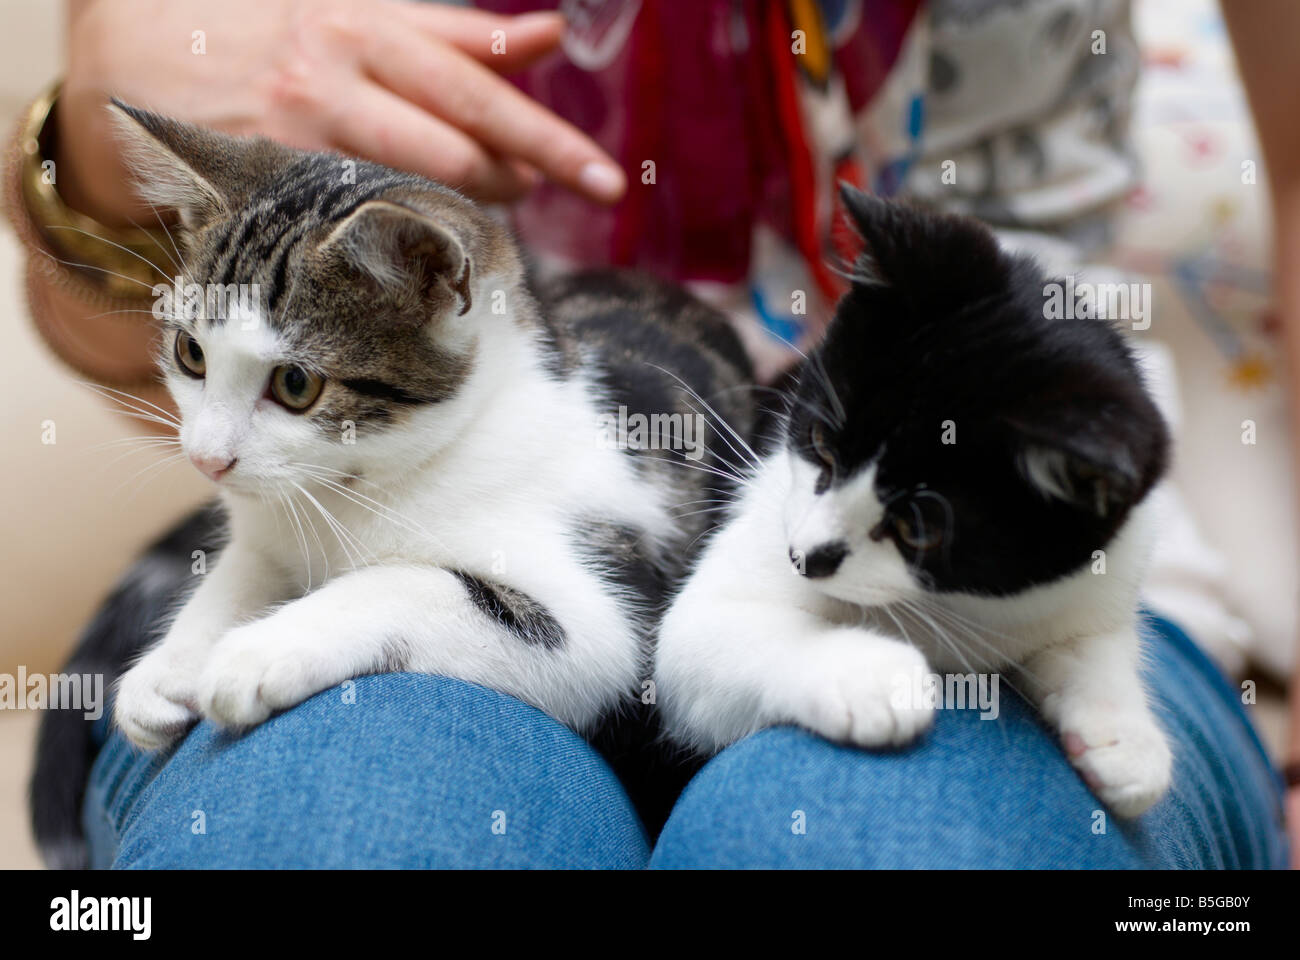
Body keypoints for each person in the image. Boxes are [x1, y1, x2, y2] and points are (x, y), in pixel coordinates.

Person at [7, 0, 1289, 868]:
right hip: (383, 509)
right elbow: (168, 344)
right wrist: (90, 147)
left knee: (865, 835)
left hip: (987, 560)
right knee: (350, 824)